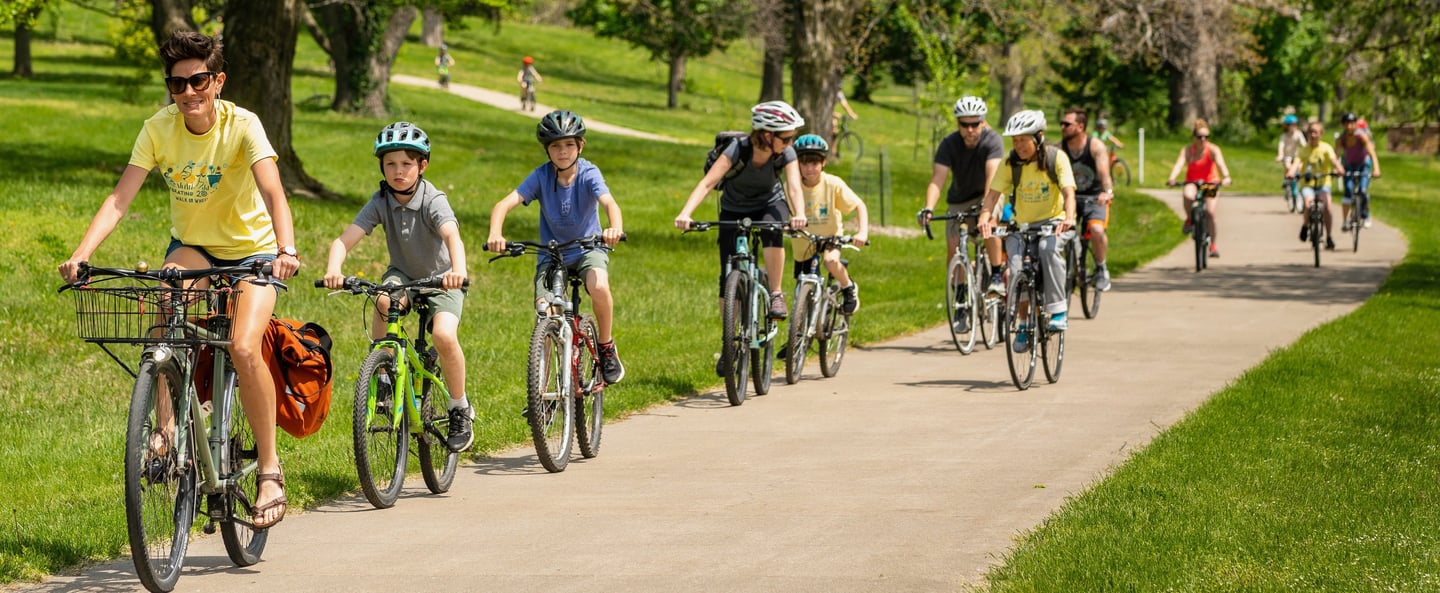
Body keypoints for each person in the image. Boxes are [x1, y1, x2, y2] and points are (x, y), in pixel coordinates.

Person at [57, 31, 299, 529]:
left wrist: (285, 249)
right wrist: (82, 254)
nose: (188, 92)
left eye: (198, 81)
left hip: (252, 251)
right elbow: (120, 198)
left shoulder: (243, 124)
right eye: (177, 84)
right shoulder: (157, 128)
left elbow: (274, 193)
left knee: (244, 346)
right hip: (194, 246)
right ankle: (165, 434)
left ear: (217, 81)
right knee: (165, 325)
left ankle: (270, 469)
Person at [323, 122, 474, 452]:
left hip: (441, 279)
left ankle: (460, 407)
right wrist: (335, 268)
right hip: (403, 276)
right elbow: (343, 240)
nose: (398, 171)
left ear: (422, 166)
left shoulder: (433, 199)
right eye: (390, 164)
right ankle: (387, 372)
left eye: (406, 164)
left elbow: (452, 237)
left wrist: (457, 271)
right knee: (381, 300)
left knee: (444, 336)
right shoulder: (380, 201)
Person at [487, 110, 626, 384]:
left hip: (588, 248)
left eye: (569, 145)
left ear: (580, 146)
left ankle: (607, 346)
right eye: (555, 146)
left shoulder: (589, 173)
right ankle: (542, 388)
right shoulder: (540, 176)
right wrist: (495, 233)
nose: (562, 152)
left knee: (598, 286)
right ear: (547, 149)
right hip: (552, 255)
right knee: (545, 314)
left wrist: (614, 228)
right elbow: (503, 204)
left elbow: (610, 203)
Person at [675, 101, 807, 373]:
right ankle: (729, 343)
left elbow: (793, 187)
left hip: (771, 203)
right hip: (734, 207)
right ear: (767, 135)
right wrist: (686, 213)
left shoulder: (787, 153)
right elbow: (708, 183)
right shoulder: (739, 149)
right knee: (727, 277)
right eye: (786, 137)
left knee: (772, 229)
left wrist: (799, 214)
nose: (790, 141)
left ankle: (776, 293)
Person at [976, 110, 1077, 353]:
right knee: (1016, 269)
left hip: (1053, 222)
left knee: (1047, 249)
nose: (1018, 145)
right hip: (1022, 225)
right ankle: (1022, 324)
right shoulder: (1011, 163)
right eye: (1015, 140)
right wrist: (984, 217)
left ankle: (1057, 310)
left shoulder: (1056, 158)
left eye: (1023, 139)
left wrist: (1070, 217)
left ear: (1039, 137)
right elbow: (992, 196)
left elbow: (1068, 192)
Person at [917, 96, 1006, 333]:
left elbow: (992, 178)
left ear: (982, 122)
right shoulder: (949, 143)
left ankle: (996, 275)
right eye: (964, 124)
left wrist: (985, 214)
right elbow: (938, 179)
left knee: (991, 224)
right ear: (958, 124)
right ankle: (960, 303)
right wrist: (928, 208)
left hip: (989, 194)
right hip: (960, 199)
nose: (969, 130)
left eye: (974, 124)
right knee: (954, 246)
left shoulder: (992, 140)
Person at [789, 134, 869, 314]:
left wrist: (862, 232)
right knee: (802, 287)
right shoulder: (791, 187)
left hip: (831, 236)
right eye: (804, 164)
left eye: (814, 164)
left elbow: (859, 206)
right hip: (804, 241)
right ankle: (800, 334)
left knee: (831, 261)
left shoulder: (833, 184)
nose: (809, 169)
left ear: (823, 163)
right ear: (797, 164)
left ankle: (848, 287)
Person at [1057, 107, 1116, 291]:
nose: (1062, 127)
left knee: (1097, 230)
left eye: (1067, 124)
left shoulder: (1095, 146)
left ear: (1080, 126)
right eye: (1062, 123)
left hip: (1094, 197)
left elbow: (1105, 174)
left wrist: (1106, 191)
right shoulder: (1059, 149)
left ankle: (1101, 268)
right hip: (1070, 198)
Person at [1165, 119, 1233, 257]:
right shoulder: (1188, 150)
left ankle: (1213, 245)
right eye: (1200, 137)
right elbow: (1179, 165)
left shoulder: (1213, 150)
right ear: (1193, 137)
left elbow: (1221, 164)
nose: (1203, 140)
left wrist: (1226, 177)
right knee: (1188, 195)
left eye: (1206, 137)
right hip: (1192, 181)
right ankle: (1190, 219)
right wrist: (1172, 178)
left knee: (1210, 212)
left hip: (1210, 182)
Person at [1287, 121, 1344, 250]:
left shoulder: (1326, 148)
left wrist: (1339, 169)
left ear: (1321, 134)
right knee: (1308, 204)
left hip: (1323, 183)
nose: (1313, 135)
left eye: (1316, 132)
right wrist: (1291, 172)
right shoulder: (1304, 150)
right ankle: (1306, 225)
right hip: (1308, 184)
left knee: (1327, 206)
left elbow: (1334, 161)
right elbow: (1296, 163)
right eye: (1311, 132)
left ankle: (1329, 236)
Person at [1335, 112, 1382, 230]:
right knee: (1349, 190)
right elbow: (1336, 155)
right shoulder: (1341, 139)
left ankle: (1366, 216)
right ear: (1343, 125)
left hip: (1363, 164)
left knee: (1363, 189)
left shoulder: (1362, 136)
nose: (1350, 127)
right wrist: (1336, 168)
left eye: (1352, 124)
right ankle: (1345, 221)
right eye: (1347, 124)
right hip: (1349, 165)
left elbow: (1372, 153)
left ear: (1356, 124)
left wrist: (1376, 169)